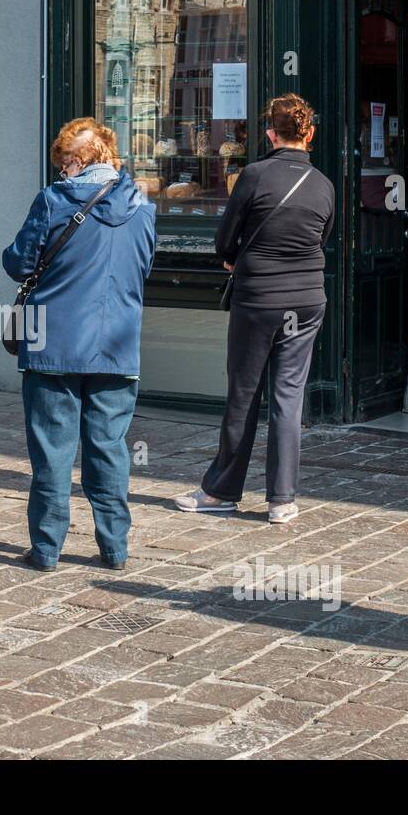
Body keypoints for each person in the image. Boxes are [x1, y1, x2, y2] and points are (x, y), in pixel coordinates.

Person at [173, 93, 334, 525]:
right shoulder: (323, 184)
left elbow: (225, 239)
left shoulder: (254, 175)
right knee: (289, 397)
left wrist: (235, 255)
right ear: (310, 134)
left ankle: (220, 491)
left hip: (260, 297)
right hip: (307, 299)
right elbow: (321, 240)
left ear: (269, 133)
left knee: (244, 394)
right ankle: (283, 499)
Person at [2, 118, 155, 572]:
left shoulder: (53, 200)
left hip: (54, 343)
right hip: (116, 344)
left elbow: (18, 262)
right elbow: (144, 265)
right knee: (109, 448)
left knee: (52, 451)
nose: (61, 169)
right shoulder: (142, 204)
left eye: (64, 160)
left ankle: (46, 549)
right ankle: (114, 548)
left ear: (76, 158)